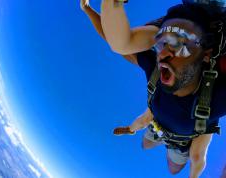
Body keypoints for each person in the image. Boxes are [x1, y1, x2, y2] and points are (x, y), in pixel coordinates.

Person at [82, 0, 226, 177]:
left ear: (206, 54)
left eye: (178, 45)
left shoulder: (215, 99)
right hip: (156, 123)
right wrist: (91, 9)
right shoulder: (158, 74)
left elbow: (198, 157)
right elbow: (117, 42)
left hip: (176, 142)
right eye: (161, 44)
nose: (163, 54)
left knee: (172, 163)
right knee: (148, 136)